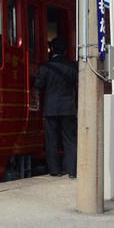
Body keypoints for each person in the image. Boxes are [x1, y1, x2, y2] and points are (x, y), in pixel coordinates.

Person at [35, 36, 78, 179]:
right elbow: (78, 87)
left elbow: (39, 85)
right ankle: (72, 171)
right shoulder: (73, 66)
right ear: (66, 50)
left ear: (52, 49)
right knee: (70, 139)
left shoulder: (46, 66)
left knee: (51, 140)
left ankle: (55, 171)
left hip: (51, 107)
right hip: (68, 107)